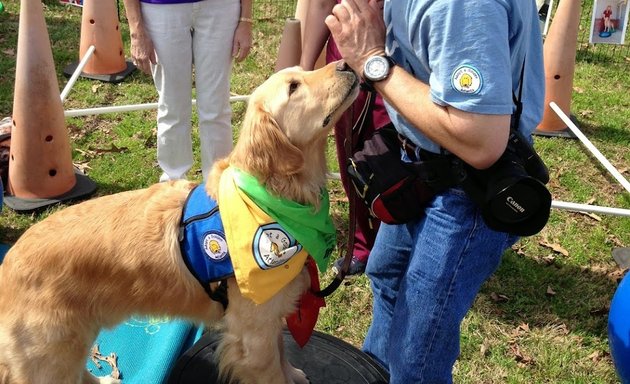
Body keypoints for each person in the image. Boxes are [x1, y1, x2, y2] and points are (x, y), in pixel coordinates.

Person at [325, 0, 545, 382]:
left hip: (467, 189)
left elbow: (479, 140)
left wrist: (373, 61)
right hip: (423, 166)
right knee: (389, 278)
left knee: (417, 345)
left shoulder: (459, 6)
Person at [300, 0, 390, 275]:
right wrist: (305, 72)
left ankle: (395, 244)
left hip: (402, 55)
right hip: (346, 54)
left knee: (396, 153)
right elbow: (321, 4)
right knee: (351, 154)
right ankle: (362, 243)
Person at [122, 0, 253, 182]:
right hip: (161, 9)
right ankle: (173, 182)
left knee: (215, 108)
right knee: (172, 107)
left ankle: (219, 184)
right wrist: (136, 30)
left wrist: (246, 19)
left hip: (221, 8)